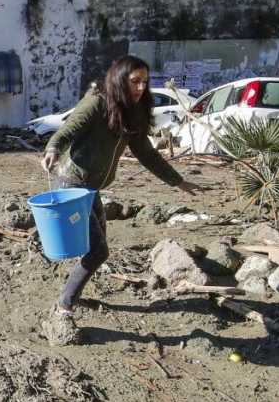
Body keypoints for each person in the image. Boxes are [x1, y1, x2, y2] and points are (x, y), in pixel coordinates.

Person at [39, 55, 204, 345]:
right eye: (134, 81)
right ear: (119, 79)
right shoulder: (98, 101)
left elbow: (146, 153)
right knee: (98, 251)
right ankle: (63, 306)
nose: (141, 87)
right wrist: (52, 148)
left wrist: (177, 181)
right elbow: (69, 128)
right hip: (72, 183)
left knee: (97, 245)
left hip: (91, 187)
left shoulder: (135, 110)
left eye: (144, 81)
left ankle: (71, 293)